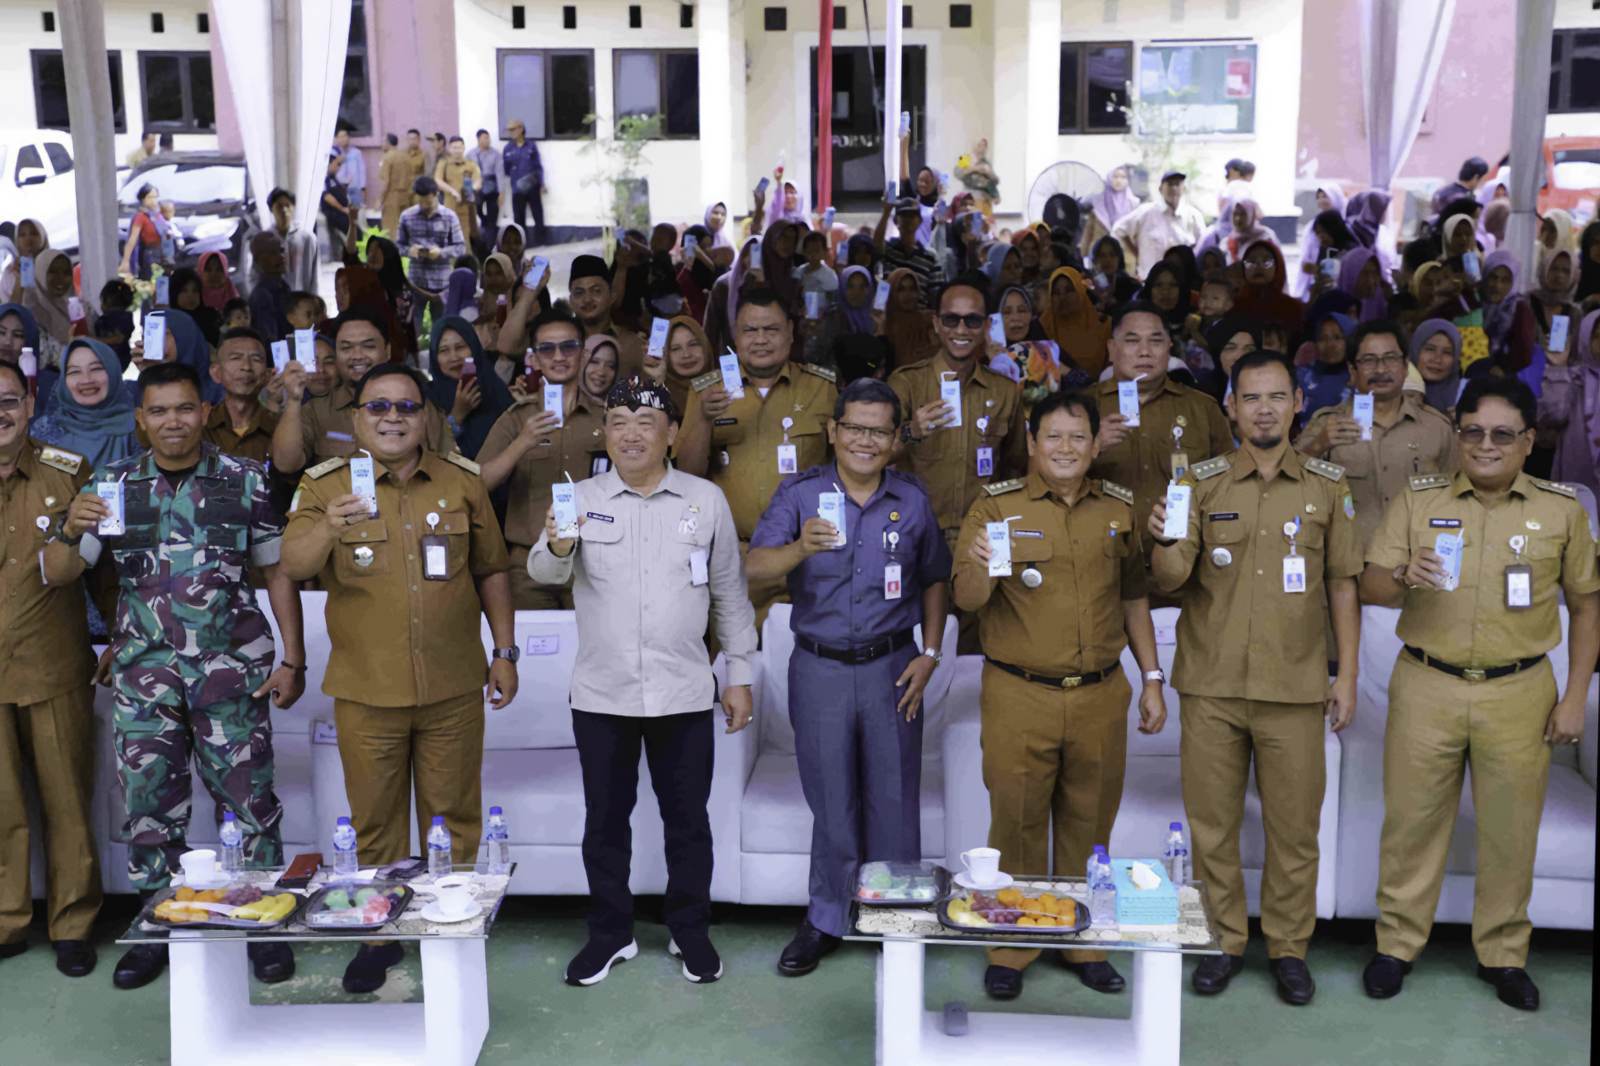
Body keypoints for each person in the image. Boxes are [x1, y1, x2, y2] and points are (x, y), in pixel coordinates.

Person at [44, 360, 306, 991]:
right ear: (141, 420)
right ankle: (159, 925)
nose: (172, 422)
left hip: (231, 675)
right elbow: (59, 572)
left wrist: (293, 657)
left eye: (184, 408)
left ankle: (260, 922)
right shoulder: (111, 486)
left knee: (250, 805)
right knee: (149, 811)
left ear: (206, 412)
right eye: (158, 411)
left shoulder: (245, 481)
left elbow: (277, 573)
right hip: (144, 680)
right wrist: (66, 527)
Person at [1359, 376, 1599, 1012]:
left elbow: (1587, 608)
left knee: (1510, 832)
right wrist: (1404, 575)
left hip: (1519, 691)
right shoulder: (1419, 500)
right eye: (1472, 432)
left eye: (1501, 434)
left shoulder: (1563, 509)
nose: (1485, 445)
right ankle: (1396, 945)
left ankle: (1502, 954)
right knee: (1411, 824)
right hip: (1425, 685)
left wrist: (1575, 695)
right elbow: (1371, 585)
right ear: (1457, 436)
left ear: (1527, 442)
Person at [280, 361, 515, 994]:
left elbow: (492, 569)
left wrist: (506, 650)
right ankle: (379, 937)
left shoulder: (461, 483)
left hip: (454, 687)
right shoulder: (326, 485)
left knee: (455, 817)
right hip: (367, 690)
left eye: (406, 407)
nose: (392, 418)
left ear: (427, 417)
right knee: (375, 823)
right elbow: (291, 561)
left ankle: (451, 928)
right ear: (356, 418)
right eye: (377, 407)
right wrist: (330, 526)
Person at [1147, 350, 1360, 1005]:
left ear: (1297, 403)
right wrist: (1164, 535)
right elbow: (1170, 580)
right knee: (1210, 827)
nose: (1264, 408)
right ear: (1231, 408)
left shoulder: (1328, 485)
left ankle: (1290, 949)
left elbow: (1343, 587)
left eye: (1276, 397)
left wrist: (1346, 675)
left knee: (1294, 829)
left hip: (1295, 690)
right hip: (1211, 685)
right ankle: (1222, 941)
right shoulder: (1200, 482)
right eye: (1251, 398)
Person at [527, 376, 755, 987]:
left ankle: (690, 930)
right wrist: (556, 541)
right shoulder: (578, 497)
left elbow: (730, 593)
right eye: (618, 420)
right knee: (605, 821)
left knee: (688, 821)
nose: (630, 432)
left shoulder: (704, 501)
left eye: (645, 421)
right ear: (606, 432)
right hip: (603, 693)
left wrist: (739, 675)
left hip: (684, 690)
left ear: (672, 434)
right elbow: (546, 571)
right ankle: (610, 934)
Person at [950, 389, 1165, 1001]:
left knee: (1090, 825)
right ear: (1034, 442)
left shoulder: (1117, 510)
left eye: (1078, 437)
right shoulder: (996, 509)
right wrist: (985, 565)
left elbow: (1134, 600)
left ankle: (1080, 940)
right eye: (1053, 437)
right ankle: (1013, 947)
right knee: (1016, 822)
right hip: (1020, 693)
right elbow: (965, 599)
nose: (1066, 448)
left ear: (1096, 445)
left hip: (1100, 693)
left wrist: (1152, 678)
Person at [747, 378, 951, 976]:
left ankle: (896, 918)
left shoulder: (911, 499)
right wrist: (798, 551)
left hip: (893, 667)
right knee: (831, 801)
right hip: (820, 668)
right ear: (833, 432)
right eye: (854, 428)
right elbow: (755, 567)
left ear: (895, 439)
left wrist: (931, 653)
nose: (865, 440)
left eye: (879, 430)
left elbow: (935, 577)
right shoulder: (800, 494)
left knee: (893, 798)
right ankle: (826, 919)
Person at [0, 359, 101, 979]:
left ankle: (73, 923)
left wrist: (118, 631)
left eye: (8, 399)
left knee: (67, 802)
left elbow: (103, 562)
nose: (0, 414)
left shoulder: (69, 473)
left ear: (30, 402)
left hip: (54, 663)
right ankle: (7, 919)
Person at [674, 289, 838, 625]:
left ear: (791, 333)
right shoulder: (708, 390)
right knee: (737, 664)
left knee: (807, 661)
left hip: (807, 555)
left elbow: (847, 468)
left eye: (772, 329)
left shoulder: (822, 389)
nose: (760, 339)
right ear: (736, 334)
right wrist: (704, 419)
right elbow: (686, 475)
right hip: (733, 556)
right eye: (750, 330)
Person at [888, 274, 1027, 558]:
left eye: (973, 320)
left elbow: (1016, 467)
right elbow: (876, 454)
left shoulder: (1004, 391)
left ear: (987, 326)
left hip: (981, 539)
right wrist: (911, 431)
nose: (961, 329)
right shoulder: (906, 383)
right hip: (916, 535)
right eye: (951, 319)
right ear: (936, 323)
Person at [477, 306, 607, 609]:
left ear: (584, 355)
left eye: (569, 347)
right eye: (547, 349)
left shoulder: (607, 418)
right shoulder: (515, 419)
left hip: (593, 559)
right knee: (535, 651)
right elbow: (476, 484)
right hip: (527, 564)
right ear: (533, 359)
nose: (558, 357)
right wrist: (521, 443)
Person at [1088, 301, 1233, 572]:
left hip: (1184, 568)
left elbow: (1228, 489)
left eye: (1155, 341)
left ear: (1169, 349)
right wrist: (1089, 446)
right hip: (1102, 569)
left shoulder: (1203, 409)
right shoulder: (1080, 409)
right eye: (1132, 341)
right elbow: (1044, 482)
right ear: (1111, 350)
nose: (1145, 351)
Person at [1297, 320, 1457, 548]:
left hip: (1417, 567)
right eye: (1369, 360)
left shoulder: (1437, 428)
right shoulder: (1326, 425)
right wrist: (1317, 446)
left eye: (1391, 358)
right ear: (1352, 371)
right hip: (1349, 568)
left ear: (1405, 368)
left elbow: (1456, 500)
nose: (1381, 370)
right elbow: (1290, 488)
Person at [269, 307, 454, 474]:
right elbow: (286, 465)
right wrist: (293, 400)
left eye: (368, 346)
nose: (357, 356)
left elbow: (449, 470)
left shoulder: (418, 408)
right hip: (340, 509)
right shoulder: (317, 410)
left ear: (387, 350)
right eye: (346, 347)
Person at [29, 339, 140, 470]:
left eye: (96, 369)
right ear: (63, 381)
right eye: (74, 372)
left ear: (113, 371)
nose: (87, 380)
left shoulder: (138, 428)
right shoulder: (47, 430)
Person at [422, 315, 516, 462]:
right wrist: (456, 416)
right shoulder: (427, 398)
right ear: (435, 357)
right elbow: (426, 451)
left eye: (460, 347)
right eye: (444, 350)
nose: (454, 357)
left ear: (473, 349)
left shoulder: (494, 389)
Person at [1537, 307, 1600, 501]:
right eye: (1597, 337)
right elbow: (1553, 415)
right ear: (1585, 339)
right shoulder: (1571, 376)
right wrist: (1558, 367)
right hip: (1577, 479)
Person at [395, 176, 466, 334]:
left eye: (426, 199)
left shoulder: (449, 216)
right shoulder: (407, 216)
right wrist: (409, 251)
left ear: (436, 194)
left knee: (442, 331)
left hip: (441, 283)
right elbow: (397, 246)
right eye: (419, 199)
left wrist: (441, 252)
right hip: (416, 282)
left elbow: (461, 248)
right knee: (413, 330)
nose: (422, 203)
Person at [203, 328, 280, 463]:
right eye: (235, 358)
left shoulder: (280, 428)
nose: (246, 366)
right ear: (216, 372)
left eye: (256, 359)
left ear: (268, 375)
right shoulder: (202, 425)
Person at [1110, 171, 1205, 279]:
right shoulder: (1146, 212)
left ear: (1184, 189)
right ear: (1161, 189)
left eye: (1177, 184)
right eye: (1170, 184)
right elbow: (1118, 230)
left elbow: (1202, 244)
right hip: (1149, 280)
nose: (1174, 188)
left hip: (1183, 283)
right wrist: (1135, 253)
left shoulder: (1193, 216)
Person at [566, 255, 645, 378]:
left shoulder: (632, 345)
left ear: (612, 296)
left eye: (596, 290)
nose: (587, 299)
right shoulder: (562, 346)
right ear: (571, 301)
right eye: (579, 293)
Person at [875, 197, 947, 307]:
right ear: (896, 221)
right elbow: (876, 244)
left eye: (912, 216)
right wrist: (886, 212)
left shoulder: (930, 257)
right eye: (904, 216)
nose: (908, 220)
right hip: (890, 316)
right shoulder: (889, 250)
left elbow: (935, 295)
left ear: (920, 221)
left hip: (918, 319)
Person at [265, 188, 319, 294]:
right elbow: (254, 274)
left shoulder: (307, 239)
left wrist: (313, 299)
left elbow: (315, 275)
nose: (284, 210)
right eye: (279, 206)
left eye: (287, 205)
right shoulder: (265, 240)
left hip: (300, 299)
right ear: (271, 209)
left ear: (294, 208)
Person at [434, 136, 483, 249]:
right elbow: (438, 180)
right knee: (448, 232)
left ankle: (467, 260)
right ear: (450, 149)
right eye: (454, 148)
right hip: (450, 204)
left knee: (466, 233)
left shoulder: (470, 164)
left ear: (464, 148)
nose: (457, 151)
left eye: (459, 148)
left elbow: (478, 181)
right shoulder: (444, 163)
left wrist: (471, 190)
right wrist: (452, 191)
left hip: (466, 206)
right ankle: (450, 262)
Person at [503, 119, 547, 245]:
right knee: (519, 217)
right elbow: (506, 169)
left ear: (521, 129)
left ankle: (541, 243)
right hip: (517, 188)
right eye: (509, 130)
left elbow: (538, 166)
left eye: (513, 129)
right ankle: (522, 244)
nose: (511, 133)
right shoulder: (508, 148)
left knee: (537, 214)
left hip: (533, 186)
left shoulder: (531, 146)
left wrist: (542, 184)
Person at [118, 183, 174, 279]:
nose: (153, 201)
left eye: (155, 197)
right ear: (143, 199)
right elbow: (132, 239)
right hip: (149, 256)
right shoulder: (141, 216)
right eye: (150, 198)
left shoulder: (158, 216)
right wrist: (125, 261)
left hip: (162, 254)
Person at [247, 232, 293, 344]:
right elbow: (270, 340)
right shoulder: (262, 296)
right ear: (259, 260)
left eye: (281, 251)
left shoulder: (285, 288)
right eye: (273, 253)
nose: (281, 257)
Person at [378, 132, 424, 236]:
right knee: (404, 227)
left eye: (383, 142)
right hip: (406, 196)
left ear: (387, 143)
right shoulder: (406, 157)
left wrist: (379, 200)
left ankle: (393, 251)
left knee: (390, 228)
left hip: (391, 196)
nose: (381, 145)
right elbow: (411, 177)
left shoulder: (386, 157)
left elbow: (385, 181)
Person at [469, 129, 508, 250]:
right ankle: (483, 227)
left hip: (492, 188)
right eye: (485, 138)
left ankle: (490, 247)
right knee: (477, 209)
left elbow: (500, 174)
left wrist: (501, 192)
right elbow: (466, 174)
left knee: (493, 217)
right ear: (479, 139)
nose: (488, 141)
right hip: (476, 188)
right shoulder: (471, 154)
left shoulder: (496, 154)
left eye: (489, 138)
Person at [332, 127, 366, 221]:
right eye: (341, 136)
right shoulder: (334, 154)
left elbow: (361, 171)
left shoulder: (356, 153)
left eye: (345, 136)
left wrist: (363, 188)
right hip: (341, 189)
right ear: (337, 139)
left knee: (358, 215)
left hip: (354, 188)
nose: (344, 139)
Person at [321, 153, 351, 245]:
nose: (338, 167)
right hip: (333, 213)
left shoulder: (332, 178)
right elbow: (327, 197)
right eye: (336, 164)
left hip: (342, 212)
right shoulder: (323, 179)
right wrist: (343, 209)